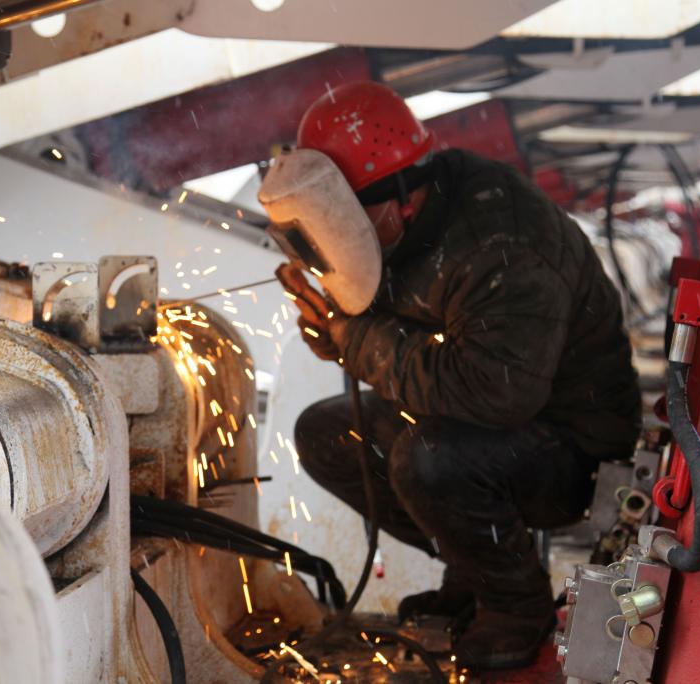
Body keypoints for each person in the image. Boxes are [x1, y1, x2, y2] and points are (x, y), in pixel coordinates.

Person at [257, 82, 642, 670]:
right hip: (483, 422)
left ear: (403, 197)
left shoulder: (501, 243)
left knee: (429, 459)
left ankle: (516, 605)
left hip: (572, 447)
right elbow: (383, 336)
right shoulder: (391, 228)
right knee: (328, 435)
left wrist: (353, 338)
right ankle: (477, 570)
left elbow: (494, 392)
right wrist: (330, 328)